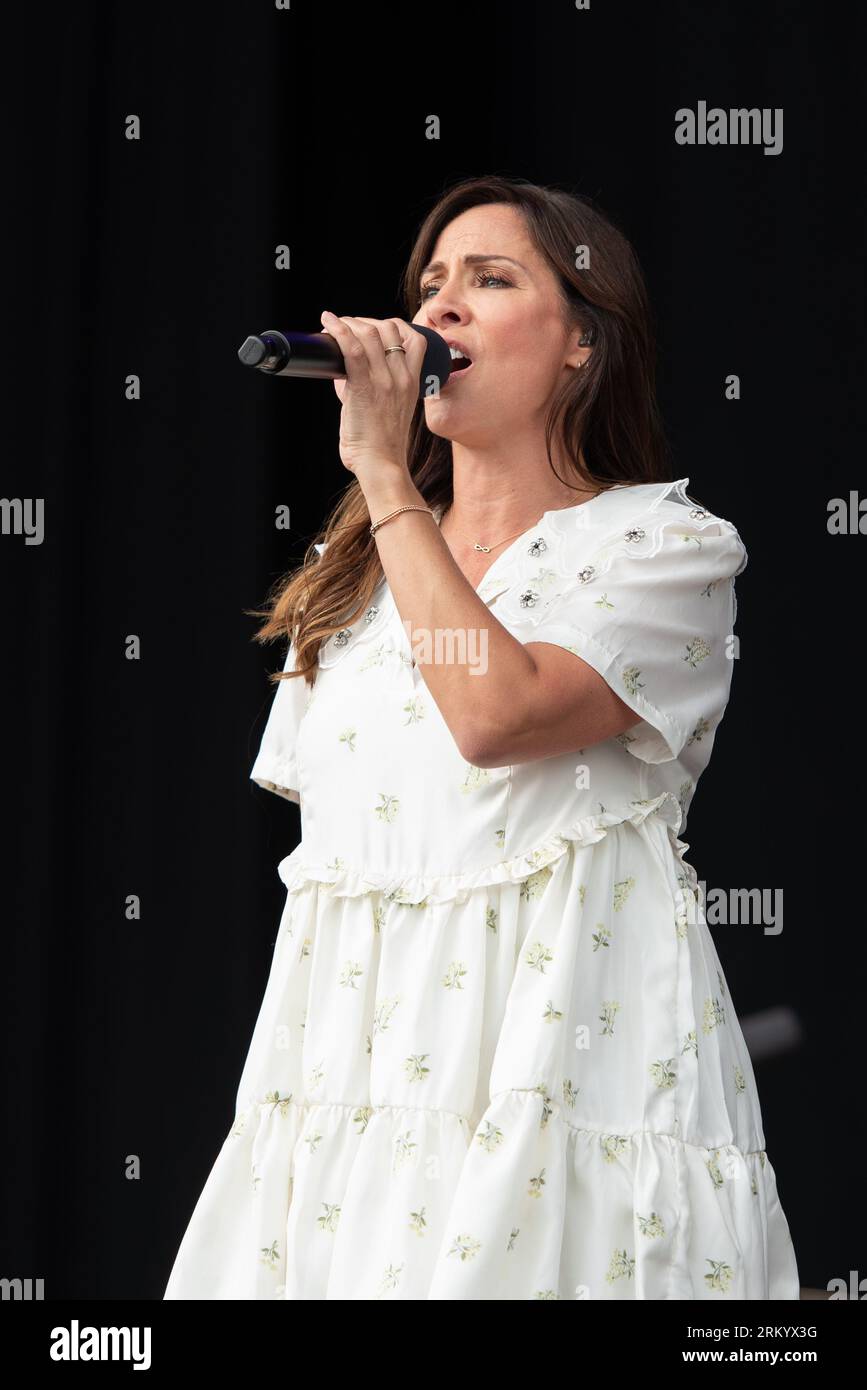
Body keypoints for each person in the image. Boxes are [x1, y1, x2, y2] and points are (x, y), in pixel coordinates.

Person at [164, 175, 800, 1300]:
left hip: (564, 1086)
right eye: (430, 285)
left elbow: (492, 715)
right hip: (349, 1098)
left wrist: (382, 472)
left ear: (582, 346)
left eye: (489, 280)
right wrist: (387, 508)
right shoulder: (350, 578)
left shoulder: (663, 544)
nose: (438, 308)